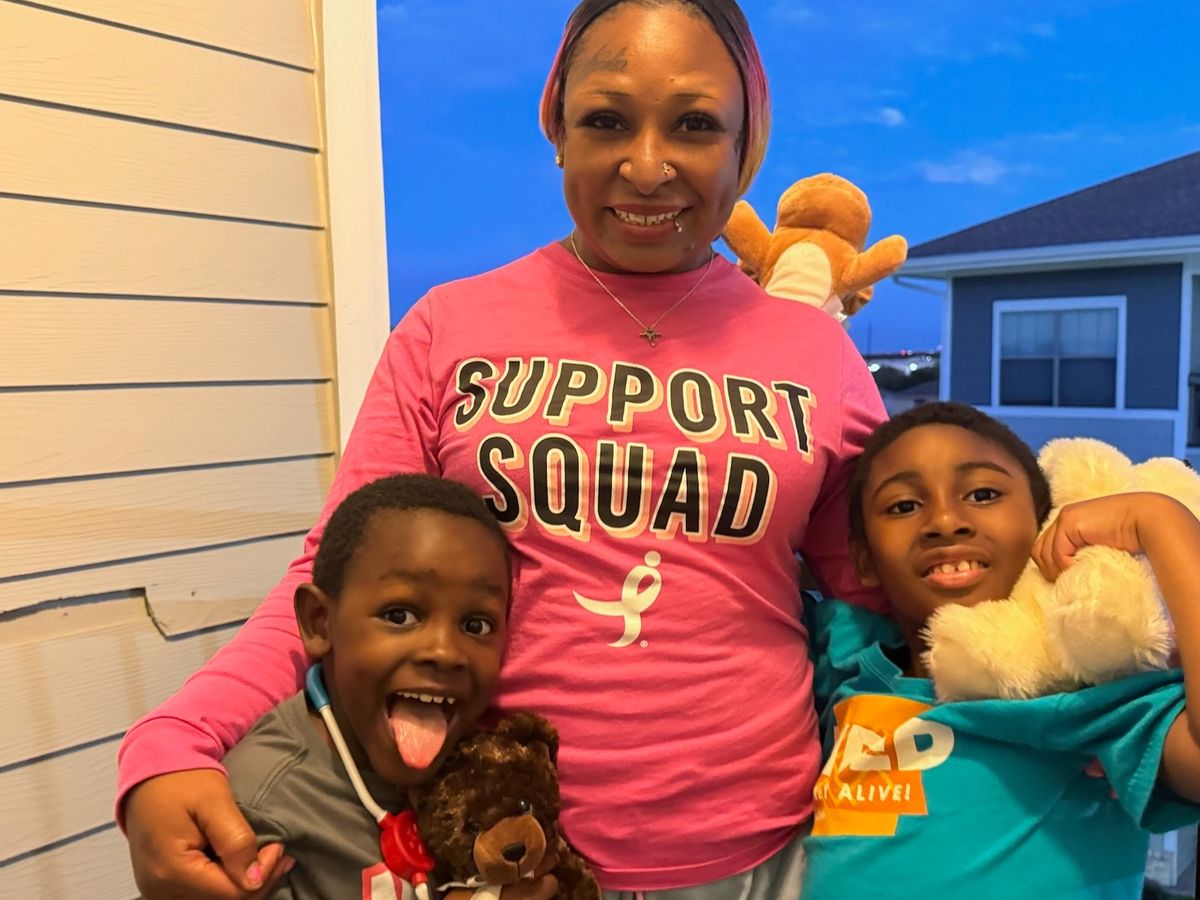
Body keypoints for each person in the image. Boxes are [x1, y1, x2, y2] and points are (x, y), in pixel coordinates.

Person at [119, 2, 888, 898]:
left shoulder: (817, 353)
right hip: (503, 854)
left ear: (746, 148)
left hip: (767, 855)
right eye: (606, 120)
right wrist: (175, 741)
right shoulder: (450, 327)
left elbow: (886, 601)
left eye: (694, 125)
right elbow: (330, 575)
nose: (647, 166)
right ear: (556, 128)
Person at [800, 402, 1200, 898]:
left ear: (1041, 524)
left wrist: (1160, 521)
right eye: (903, 505)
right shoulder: (843, 656)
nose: (945, 521)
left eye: (983, 494)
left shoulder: (1085, 695)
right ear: (863, 558)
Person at [219, 473, 558, 899]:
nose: (445, 651)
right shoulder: (257, 808)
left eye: (476, 625)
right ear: (320, 622)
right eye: (400, 615)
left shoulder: (487, 778)